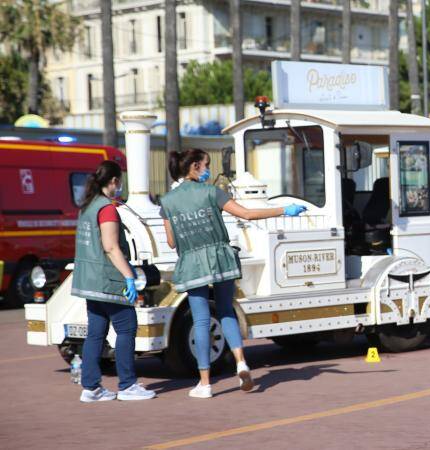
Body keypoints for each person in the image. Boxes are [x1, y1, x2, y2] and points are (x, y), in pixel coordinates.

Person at [160, 149, 306, 399]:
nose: (208, 170)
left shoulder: (167, 201)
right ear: (195, 166)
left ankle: (205, 383)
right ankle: (241, 362)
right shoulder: (211, 192)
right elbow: (247, 214)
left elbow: (172, 242)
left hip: (192, 263)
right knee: (226, 310)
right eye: (206, 165)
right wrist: (285, 210)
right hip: (220, 257)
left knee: (201, 321)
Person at [72, 161, 156, 402]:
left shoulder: (87, 206)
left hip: (88, 280)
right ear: (114, 181)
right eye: (120, 182)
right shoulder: (106, 209)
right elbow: (110, 246)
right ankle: (127, 385)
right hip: (108, 279)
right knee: (126, 327)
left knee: (95, 333)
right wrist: (129, 276)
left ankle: (91, 388)